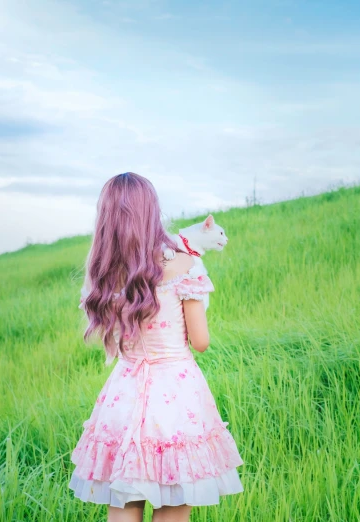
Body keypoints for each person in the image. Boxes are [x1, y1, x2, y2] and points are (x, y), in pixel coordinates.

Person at [69, 172, 243, 522]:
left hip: (124, 395)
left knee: (123, 501)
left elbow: (119, 344)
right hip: (176, 396)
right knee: (174, 501)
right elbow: (201, 342)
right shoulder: (185, 267)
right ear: (152, 212)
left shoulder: (106, 275)